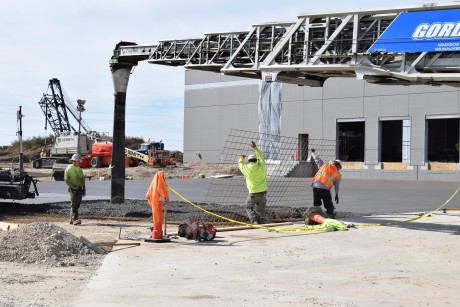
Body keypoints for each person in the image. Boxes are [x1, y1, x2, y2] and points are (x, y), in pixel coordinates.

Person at [238, 141, 267, 225]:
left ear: (249, 161)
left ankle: (254, 221)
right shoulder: (262, 167)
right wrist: (255, 148)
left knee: (248, 207)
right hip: (263, 192)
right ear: (256, 160)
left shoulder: (247, 169)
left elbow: (240, 165)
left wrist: (241, 158)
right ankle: (262, 220)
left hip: (253, 193)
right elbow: (261, 158)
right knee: (261, 207)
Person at [309, 149, 342, 219]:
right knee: (328, 204)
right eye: (339, 168)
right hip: (324, 187)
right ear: (338, 166)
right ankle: (330, 216)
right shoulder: (337, 174)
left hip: (315, 184)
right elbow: (337, 186)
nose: (339, 169)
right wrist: (336, 195)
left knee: (316, 203)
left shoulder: (325, 164)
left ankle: (315, 215)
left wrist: (313, 153)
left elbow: (317, 159)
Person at [64, 154, 86, 225]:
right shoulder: (69, 169)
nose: (79, 162)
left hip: (79, 189)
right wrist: (72, 187)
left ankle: (71, 219)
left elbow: (83, 179)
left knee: (77, 205)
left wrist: (84, 189)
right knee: (74, 205)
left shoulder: (79, 169)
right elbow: (66, 180)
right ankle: (75, 219)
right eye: (78, 161)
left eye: (79, 161)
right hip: (73, 189)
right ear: (74, 161)